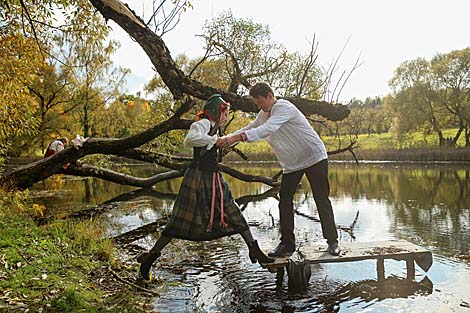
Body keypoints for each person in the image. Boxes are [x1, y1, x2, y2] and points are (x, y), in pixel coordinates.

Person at [137, 94, 274, 282]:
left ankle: (254, 249)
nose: (226, 117)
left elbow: (217, 142)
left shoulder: (215, 127)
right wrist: (213, 141)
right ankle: (150, 258)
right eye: (225, 113)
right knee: (180, 220)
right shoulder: (201, 124)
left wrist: (226, 140)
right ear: (217, 111)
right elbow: (190, 140)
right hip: (197, 179)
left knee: (233, 212)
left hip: (215, 178)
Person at [219, 82, 341, 257]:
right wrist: (228, 139)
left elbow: (269, 129)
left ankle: (332, 242)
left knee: (321, 198)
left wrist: (238, 137)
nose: (259, 106)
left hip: (314, 156)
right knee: (284, 200)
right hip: (292, 163)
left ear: (270, 96)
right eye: (256, 103)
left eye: (260, 102)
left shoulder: (284, 107)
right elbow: (251, 128)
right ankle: (287, 245)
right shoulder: (263, 114)